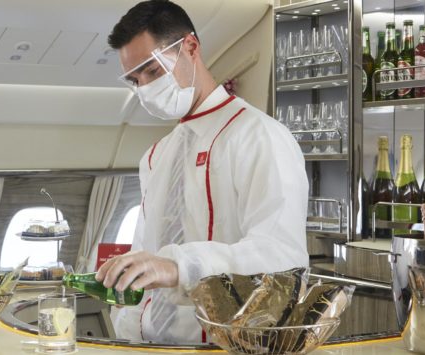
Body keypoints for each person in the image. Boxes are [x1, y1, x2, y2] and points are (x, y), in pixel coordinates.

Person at [95, 0, 309, 343]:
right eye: (135, 80)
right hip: (146, 346)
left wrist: (182, 266)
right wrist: (124, 325)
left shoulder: (259, 137)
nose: (145, 89)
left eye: (152, 71)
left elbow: (282, 258)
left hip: (221, 346)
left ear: (190, 47)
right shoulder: (156, 156)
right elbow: (144, 257)